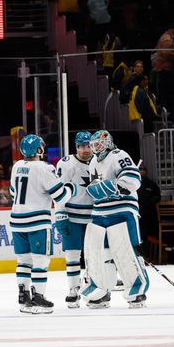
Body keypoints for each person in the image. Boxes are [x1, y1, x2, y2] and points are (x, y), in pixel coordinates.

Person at [81, 130, 149, 309]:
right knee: (99, 253)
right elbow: (95, 189)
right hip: (100, 212)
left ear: (108, 142)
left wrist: (112, 186)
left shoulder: (119, 155)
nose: (95, 148)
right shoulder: (93, 162)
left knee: (125, 250)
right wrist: (97, 190)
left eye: (98, 144)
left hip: (122, 209)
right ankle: (101, 291)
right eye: (93, 145)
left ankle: (136, 290)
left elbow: (133, 181)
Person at [9, 134, 75, 314]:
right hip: (37, 221)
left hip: (16, 219)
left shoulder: (17, 166)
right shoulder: (45, 168)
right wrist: (71, 187)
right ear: (39, 149)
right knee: (40, 260)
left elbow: (13, 192)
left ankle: (23, 297)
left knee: (23, 260)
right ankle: (38, 297)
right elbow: (60, 196)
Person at [55, 131, 95, 308]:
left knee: (94, 256)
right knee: (72, 254)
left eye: (88, 146)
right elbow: (58, 191)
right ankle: (73, 289)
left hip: (95, 216)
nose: (85, 150)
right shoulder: (66, 163)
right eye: (82, 146)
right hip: (72, 215)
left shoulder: (99, 161)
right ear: (76, 147)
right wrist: (60, 214)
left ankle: (95, 287)